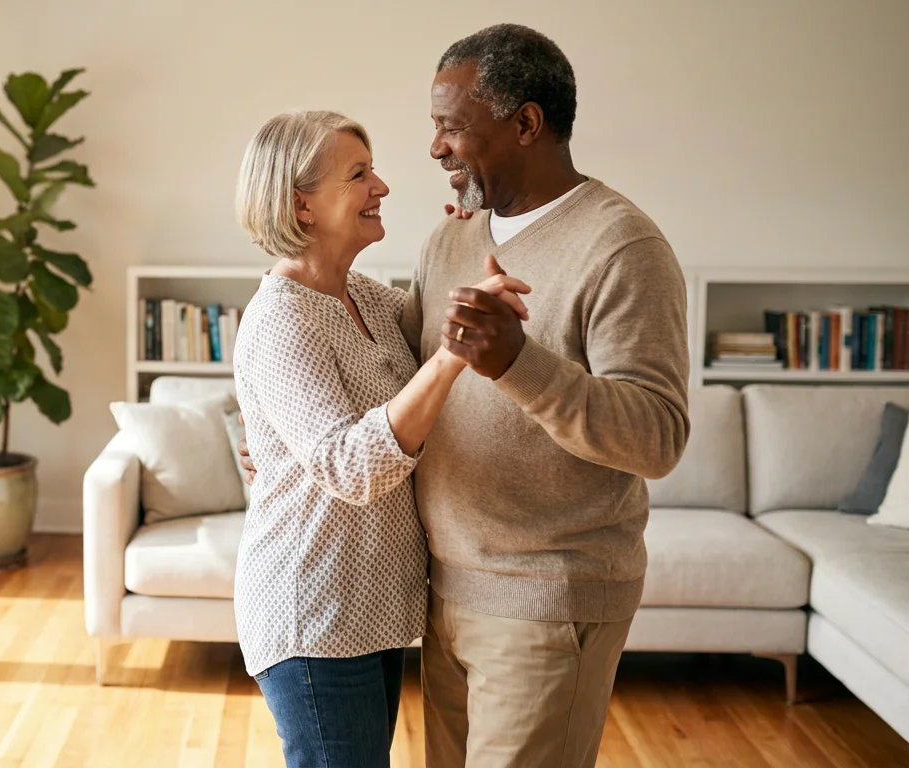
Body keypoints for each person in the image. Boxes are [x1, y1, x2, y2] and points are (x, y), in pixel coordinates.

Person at [240, 24, 692, 768]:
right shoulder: (450, 240)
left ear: (525, 123)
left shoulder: (622, 247)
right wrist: (273, 442)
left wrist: (519, 362)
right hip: (439, 599)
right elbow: (386, 374)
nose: (434, 149)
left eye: (451, 126)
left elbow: (658, 438)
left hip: (547, 599)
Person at [231, 109, 531, 768]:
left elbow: (438, 325)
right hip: (312, 615)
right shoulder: (281, 319)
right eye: (359, 174)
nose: (383, 187)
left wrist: (466, 240)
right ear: (300, 204)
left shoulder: (363, 298)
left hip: (372, 610)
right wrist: (450, 357)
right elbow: (350, 466)